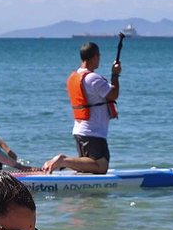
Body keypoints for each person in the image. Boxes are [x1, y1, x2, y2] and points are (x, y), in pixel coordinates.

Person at [42, 41, 120, 175]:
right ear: (95, 57)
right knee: (101, 167)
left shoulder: (75, 77)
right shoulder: (93, 78)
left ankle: (82, 193)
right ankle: (63, 161)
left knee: (90, 168)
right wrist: (115, 74)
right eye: (99, 56)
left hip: (81, 130)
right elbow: (113, 94)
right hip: (92, 132)